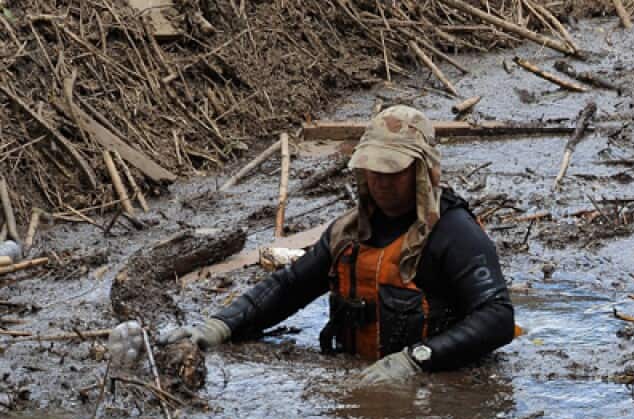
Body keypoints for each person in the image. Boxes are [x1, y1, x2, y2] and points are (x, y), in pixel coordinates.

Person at [160, 106, 516, 385]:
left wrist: (417, 358)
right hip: (360, 373)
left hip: (436, 377)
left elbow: (497, 318)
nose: (381, 183)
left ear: (421, 172)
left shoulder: (456, 233)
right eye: (373, 171)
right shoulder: (348, 233)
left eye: (393, 172)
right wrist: (220, 326)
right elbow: (290, 286)